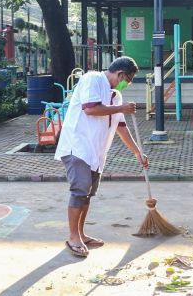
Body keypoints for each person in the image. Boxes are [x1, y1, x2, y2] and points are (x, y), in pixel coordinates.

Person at [54, 57, 148, 257]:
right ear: (120, 74)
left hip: (96, 153)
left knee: (88, 193)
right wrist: (121, 108)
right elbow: (90, 109)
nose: (128, 84)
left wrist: (137, 152)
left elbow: (121, 127)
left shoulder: (116, 95)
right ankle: (73, 238)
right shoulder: (93, 79)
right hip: (77, 147)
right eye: (128, 79)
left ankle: (81, 233)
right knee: (79, 191)